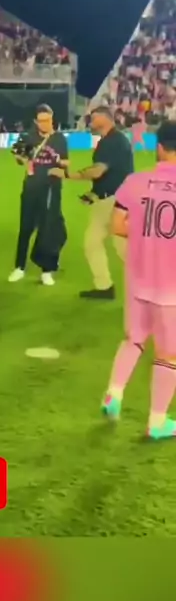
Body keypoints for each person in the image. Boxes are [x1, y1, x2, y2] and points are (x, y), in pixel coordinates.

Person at [102, 120, 176, 439]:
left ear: (159, 147)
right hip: (172, 287)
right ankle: (157, 422)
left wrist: (146, 233)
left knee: (133, 338)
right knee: (168, 354)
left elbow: (117, 225)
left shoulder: (135, 181)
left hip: (139, 278)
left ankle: (114, 393)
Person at [66, 106, 133, 299]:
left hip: (116, 202)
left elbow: (98, 171)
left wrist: (67, 174)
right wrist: (93, 193)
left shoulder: (113, 141)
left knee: (123, 249)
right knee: (94, 242)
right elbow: (111, 174)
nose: (91, 121)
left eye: (94, 117)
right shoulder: (111, 140)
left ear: (105, 118)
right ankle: (104, 287)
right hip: (110, 200)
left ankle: (155, 285)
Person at [8, 105, 68, 286]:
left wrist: (57, 160)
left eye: (48, 120)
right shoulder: (28, 137)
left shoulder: (59, 139)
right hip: (31, 188)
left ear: (52, 119)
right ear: (36, 121)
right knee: (25, 229)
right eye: (41, 121)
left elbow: (66, 163)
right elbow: (19, 159)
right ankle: (19, 267)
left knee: (48, 230)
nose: (45, 124)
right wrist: (22, 157)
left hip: (51, 189)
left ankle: (46, 271)